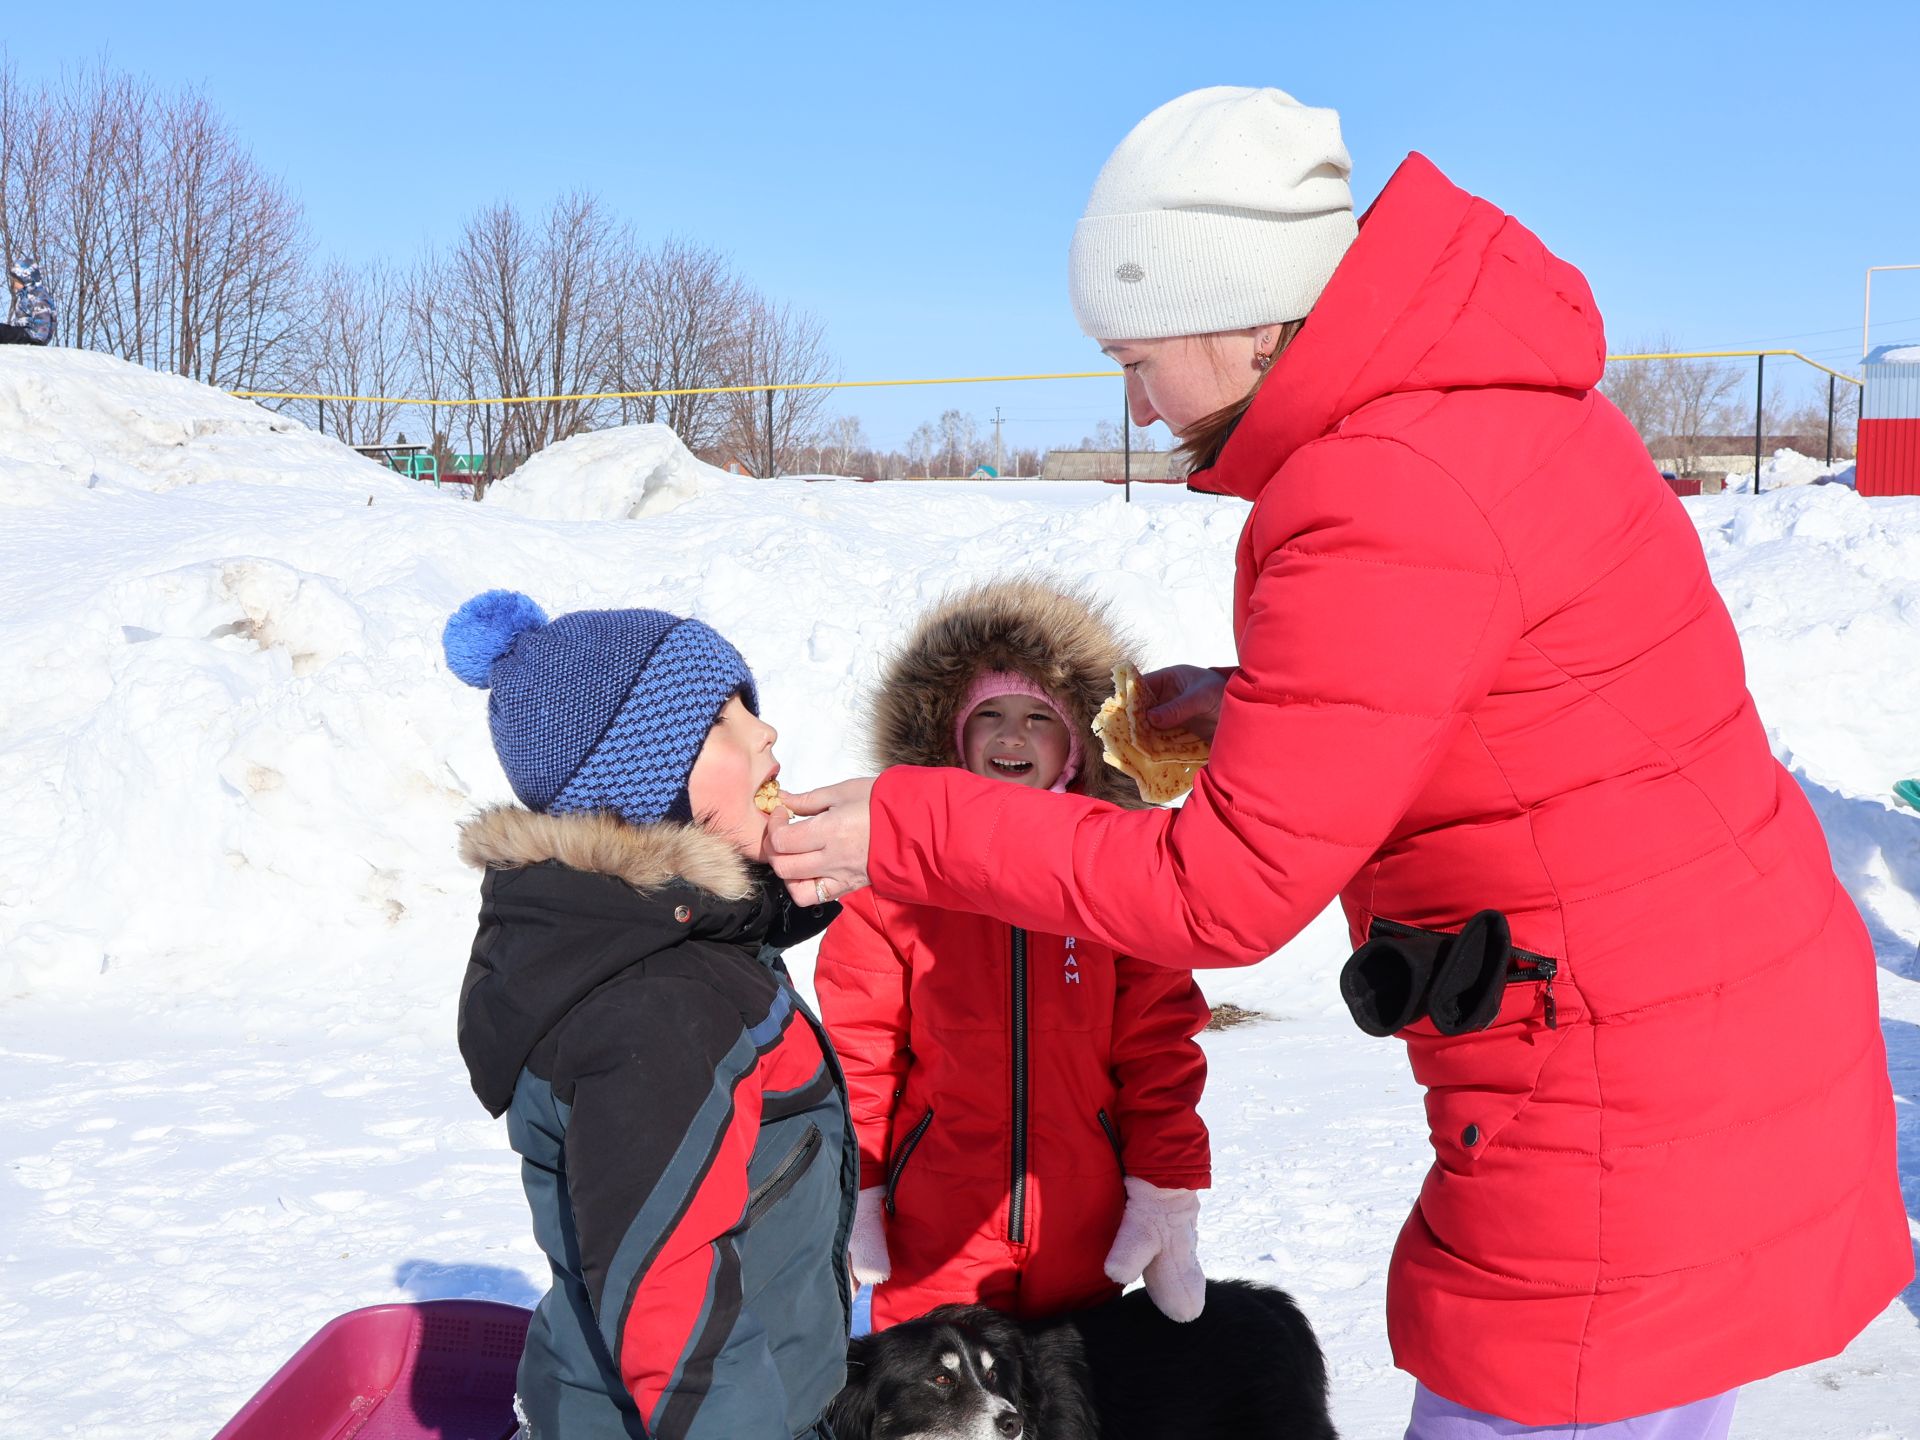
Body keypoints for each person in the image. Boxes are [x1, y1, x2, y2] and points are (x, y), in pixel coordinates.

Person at [768, 87, 1912, 1438]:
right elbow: (1515, 690)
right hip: (1706, 1043)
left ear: (1245, 315)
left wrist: (915, 824)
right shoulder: (1486, 408)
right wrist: (1265, 706)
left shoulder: (1378, 485)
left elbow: (1225, 892)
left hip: (1610, 1101)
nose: (1136, 410)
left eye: (1137, 358)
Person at [444, 589, 853, 1440]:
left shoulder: (666, 948)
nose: (762, 732)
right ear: (646, 790)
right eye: (719, 721)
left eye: (749, 703)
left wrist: (792, 891)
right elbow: (677, 1316)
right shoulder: (660, 1011)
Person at [812, 578, 1211, 1331]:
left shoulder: (1119, 873)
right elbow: (859, 1051)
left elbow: (1159, 1046)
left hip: (1081, 1222)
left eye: (1038, 718)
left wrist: (1164, 1185)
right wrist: (857, 1185)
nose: (1010, 737)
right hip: (936, 1226)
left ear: (1080, 742)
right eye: (988, 716)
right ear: (950, 737)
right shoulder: (894, 881)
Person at [2, 257, 55, 345]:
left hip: (32, 337)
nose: (14, 284)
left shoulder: (39, 297)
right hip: (25, 334)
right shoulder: (25, 296)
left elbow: (41, 332)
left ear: (26, 279)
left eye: (16, 281)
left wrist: (35, 340)